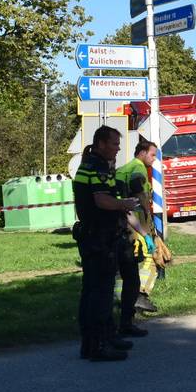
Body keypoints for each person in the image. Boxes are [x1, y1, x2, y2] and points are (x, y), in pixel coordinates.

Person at [72, 126, 140, 361]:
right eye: (114, 144)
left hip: (94, 236)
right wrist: (125, 204)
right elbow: (102, 201)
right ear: (100, 143)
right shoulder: (97, 166)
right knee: (100, 292)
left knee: (93, 290)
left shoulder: (92, 164)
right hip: (99, 238)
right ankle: (99, 345)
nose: (118, 148)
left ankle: (97, 341)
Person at [115, 140, 159, 326]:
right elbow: (137, 190)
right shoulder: (138, 168)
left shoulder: (125, 167)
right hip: (135, 219)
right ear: (142, 153)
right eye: (152, 154)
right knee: (149, 258)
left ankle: (119, 296)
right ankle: (140, 294)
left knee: (124, 262)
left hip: (121, 217)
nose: (154, 159)